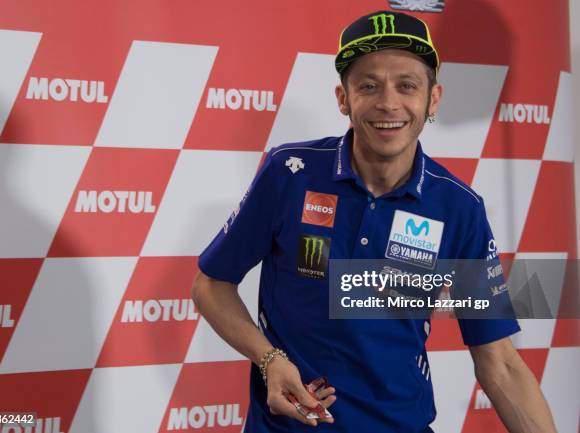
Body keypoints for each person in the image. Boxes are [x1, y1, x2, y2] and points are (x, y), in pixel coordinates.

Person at [192, 10, 557, 433]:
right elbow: (211, 285)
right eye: (369, 86)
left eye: (407, 85)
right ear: (344, 98)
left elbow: (500, 363)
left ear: (432, 100)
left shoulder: (459, 208)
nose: (388, 103)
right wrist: (270, 359)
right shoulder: (289, 172)